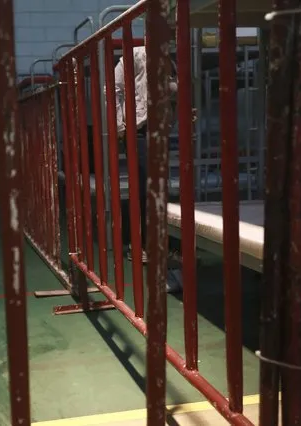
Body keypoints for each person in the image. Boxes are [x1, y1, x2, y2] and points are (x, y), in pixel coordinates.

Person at [114, 44, 183, 292]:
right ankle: (142, 246)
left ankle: (153, 246)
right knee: (148, 188)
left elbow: (174, 91)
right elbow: (113, 89)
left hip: (160, 129)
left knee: (159, 189)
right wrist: (122, 126)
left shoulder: (171, 58)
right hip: (140, 130)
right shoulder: (134, 55)